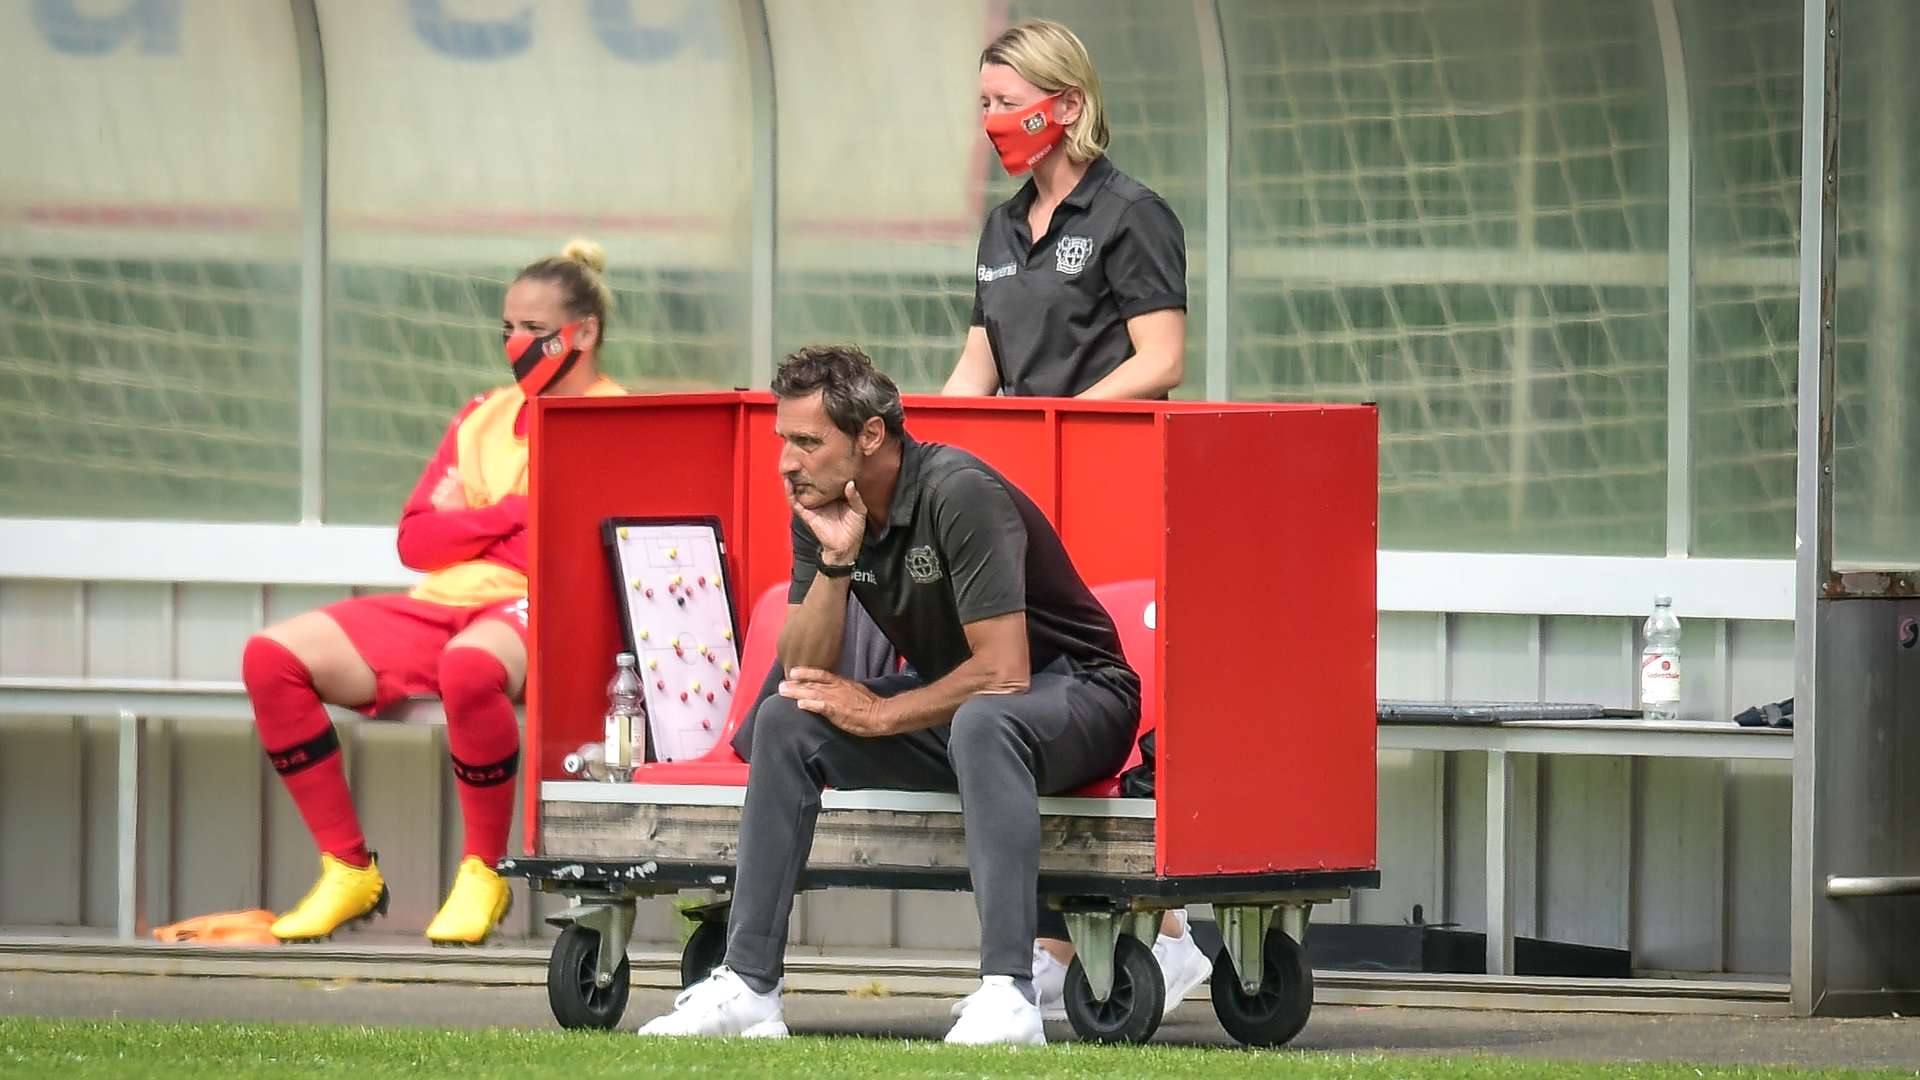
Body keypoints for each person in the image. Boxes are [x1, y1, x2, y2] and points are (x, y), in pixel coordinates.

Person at [638, 346, 1140, 1045]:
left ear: (871, 435)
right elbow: (803, 670)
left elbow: (1003, 671)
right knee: (788, 721)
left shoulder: (958, 491)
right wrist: (838, 562)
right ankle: (750, 984)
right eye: (785, 439)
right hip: (967, 705)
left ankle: (1010, 995)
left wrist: (878, 711)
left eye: (808, 441)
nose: (788, 461)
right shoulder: (823, 505)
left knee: (984, 722)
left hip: (1080, 693)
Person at [242, 240, 625, 945]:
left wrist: (467, 519)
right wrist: (512, 513)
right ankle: (347, 869)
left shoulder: (615, 421)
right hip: (444, 599)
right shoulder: (482, 414)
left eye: (534, 331)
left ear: (585, 333)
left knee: (470, 668)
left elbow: (567, 547)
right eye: (506, 327)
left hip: (540, 607)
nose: (515, 343)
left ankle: (483, 869)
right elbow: (417, 539)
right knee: (271, 657)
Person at [944, 19, 1209, 1021]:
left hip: (1107, 490)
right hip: (1015, 500)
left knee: (1093, 696)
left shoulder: (1132, 212)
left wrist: (1060, 426)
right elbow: (979, 362)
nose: (993, 123)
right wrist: (928, 444)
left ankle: (1160, 935)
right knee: (1025, 701)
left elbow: (1160, 358)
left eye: (1005, 102)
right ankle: (1073, 943)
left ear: (1062, 101)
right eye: (982, 105)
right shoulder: (1003, 227)